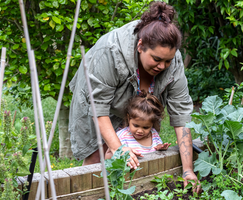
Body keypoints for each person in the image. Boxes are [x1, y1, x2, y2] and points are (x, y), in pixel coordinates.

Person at [69, 1, 201, 193]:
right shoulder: (110, 52)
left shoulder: (174, 61)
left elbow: (182, 116)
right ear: (140, 46)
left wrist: (188, 169)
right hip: (97, 100)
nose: (162, 66)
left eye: (168, 61)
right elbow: (98, 109)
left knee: (139, 149)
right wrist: (117, 148)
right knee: (98, 156)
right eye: (156, 59)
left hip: (139, 104)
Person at [105, 91, 171, 159]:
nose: (140, 131)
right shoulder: (122, 136)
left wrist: (160, 147)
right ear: (128, 118)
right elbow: (108, 158)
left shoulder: (153, 134)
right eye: (136, 125)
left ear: (152, 124)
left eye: (145, 127)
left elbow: (157, 146)